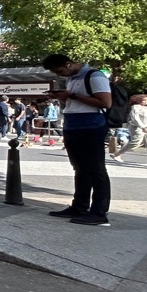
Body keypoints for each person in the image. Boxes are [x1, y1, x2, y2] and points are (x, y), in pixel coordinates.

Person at [43, 53, 114, 226]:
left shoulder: (95, 76)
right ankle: (79, 206)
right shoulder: (71, 79)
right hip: (73, 125)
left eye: (59, 70)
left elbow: (105, 103)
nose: (59, 75)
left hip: (91, 126)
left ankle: (99, 212)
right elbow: (75, 102)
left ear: (68, 64)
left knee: (96, 169)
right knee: (80, 168)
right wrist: (62, 97)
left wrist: (72, 96)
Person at [111, 94, 147, 166]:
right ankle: (117, 154)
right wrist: (142, 127)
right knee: (135, 142)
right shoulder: (135, 107)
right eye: (143, 100)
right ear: (139, 100)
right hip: (138, 128)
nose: (145, 102)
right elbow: (135, 118)